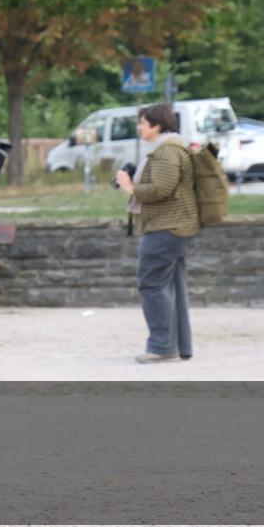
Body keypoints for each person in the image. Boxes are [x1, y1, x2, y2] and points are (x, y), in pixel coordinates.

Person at [114, 104, 199, 364]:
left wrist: (131, 188)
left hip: (166, 227)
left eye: (142, 122)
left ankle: (162, 346)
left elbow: (162, 189)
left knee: (152, 283)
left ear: (156, 126)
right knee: (172, 286)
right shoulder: (170, 149)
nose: (139, 127)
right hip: (174, 225)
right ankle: (179, 345)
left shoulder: (166, 152)